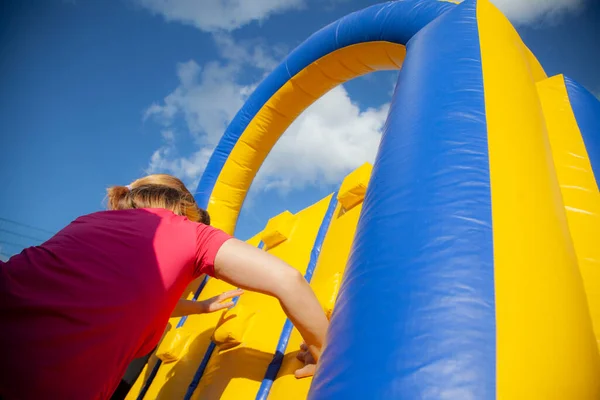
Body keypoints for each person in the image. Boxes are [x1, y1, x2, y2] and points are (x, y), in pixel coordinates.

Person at [0, 174, 328, 400]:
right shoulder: (192, 233)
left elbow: (106, 294)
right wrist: (324, 350)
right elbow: (288, 279)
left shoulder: (87, 221)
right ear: (189, 212)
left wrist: (198, 307)